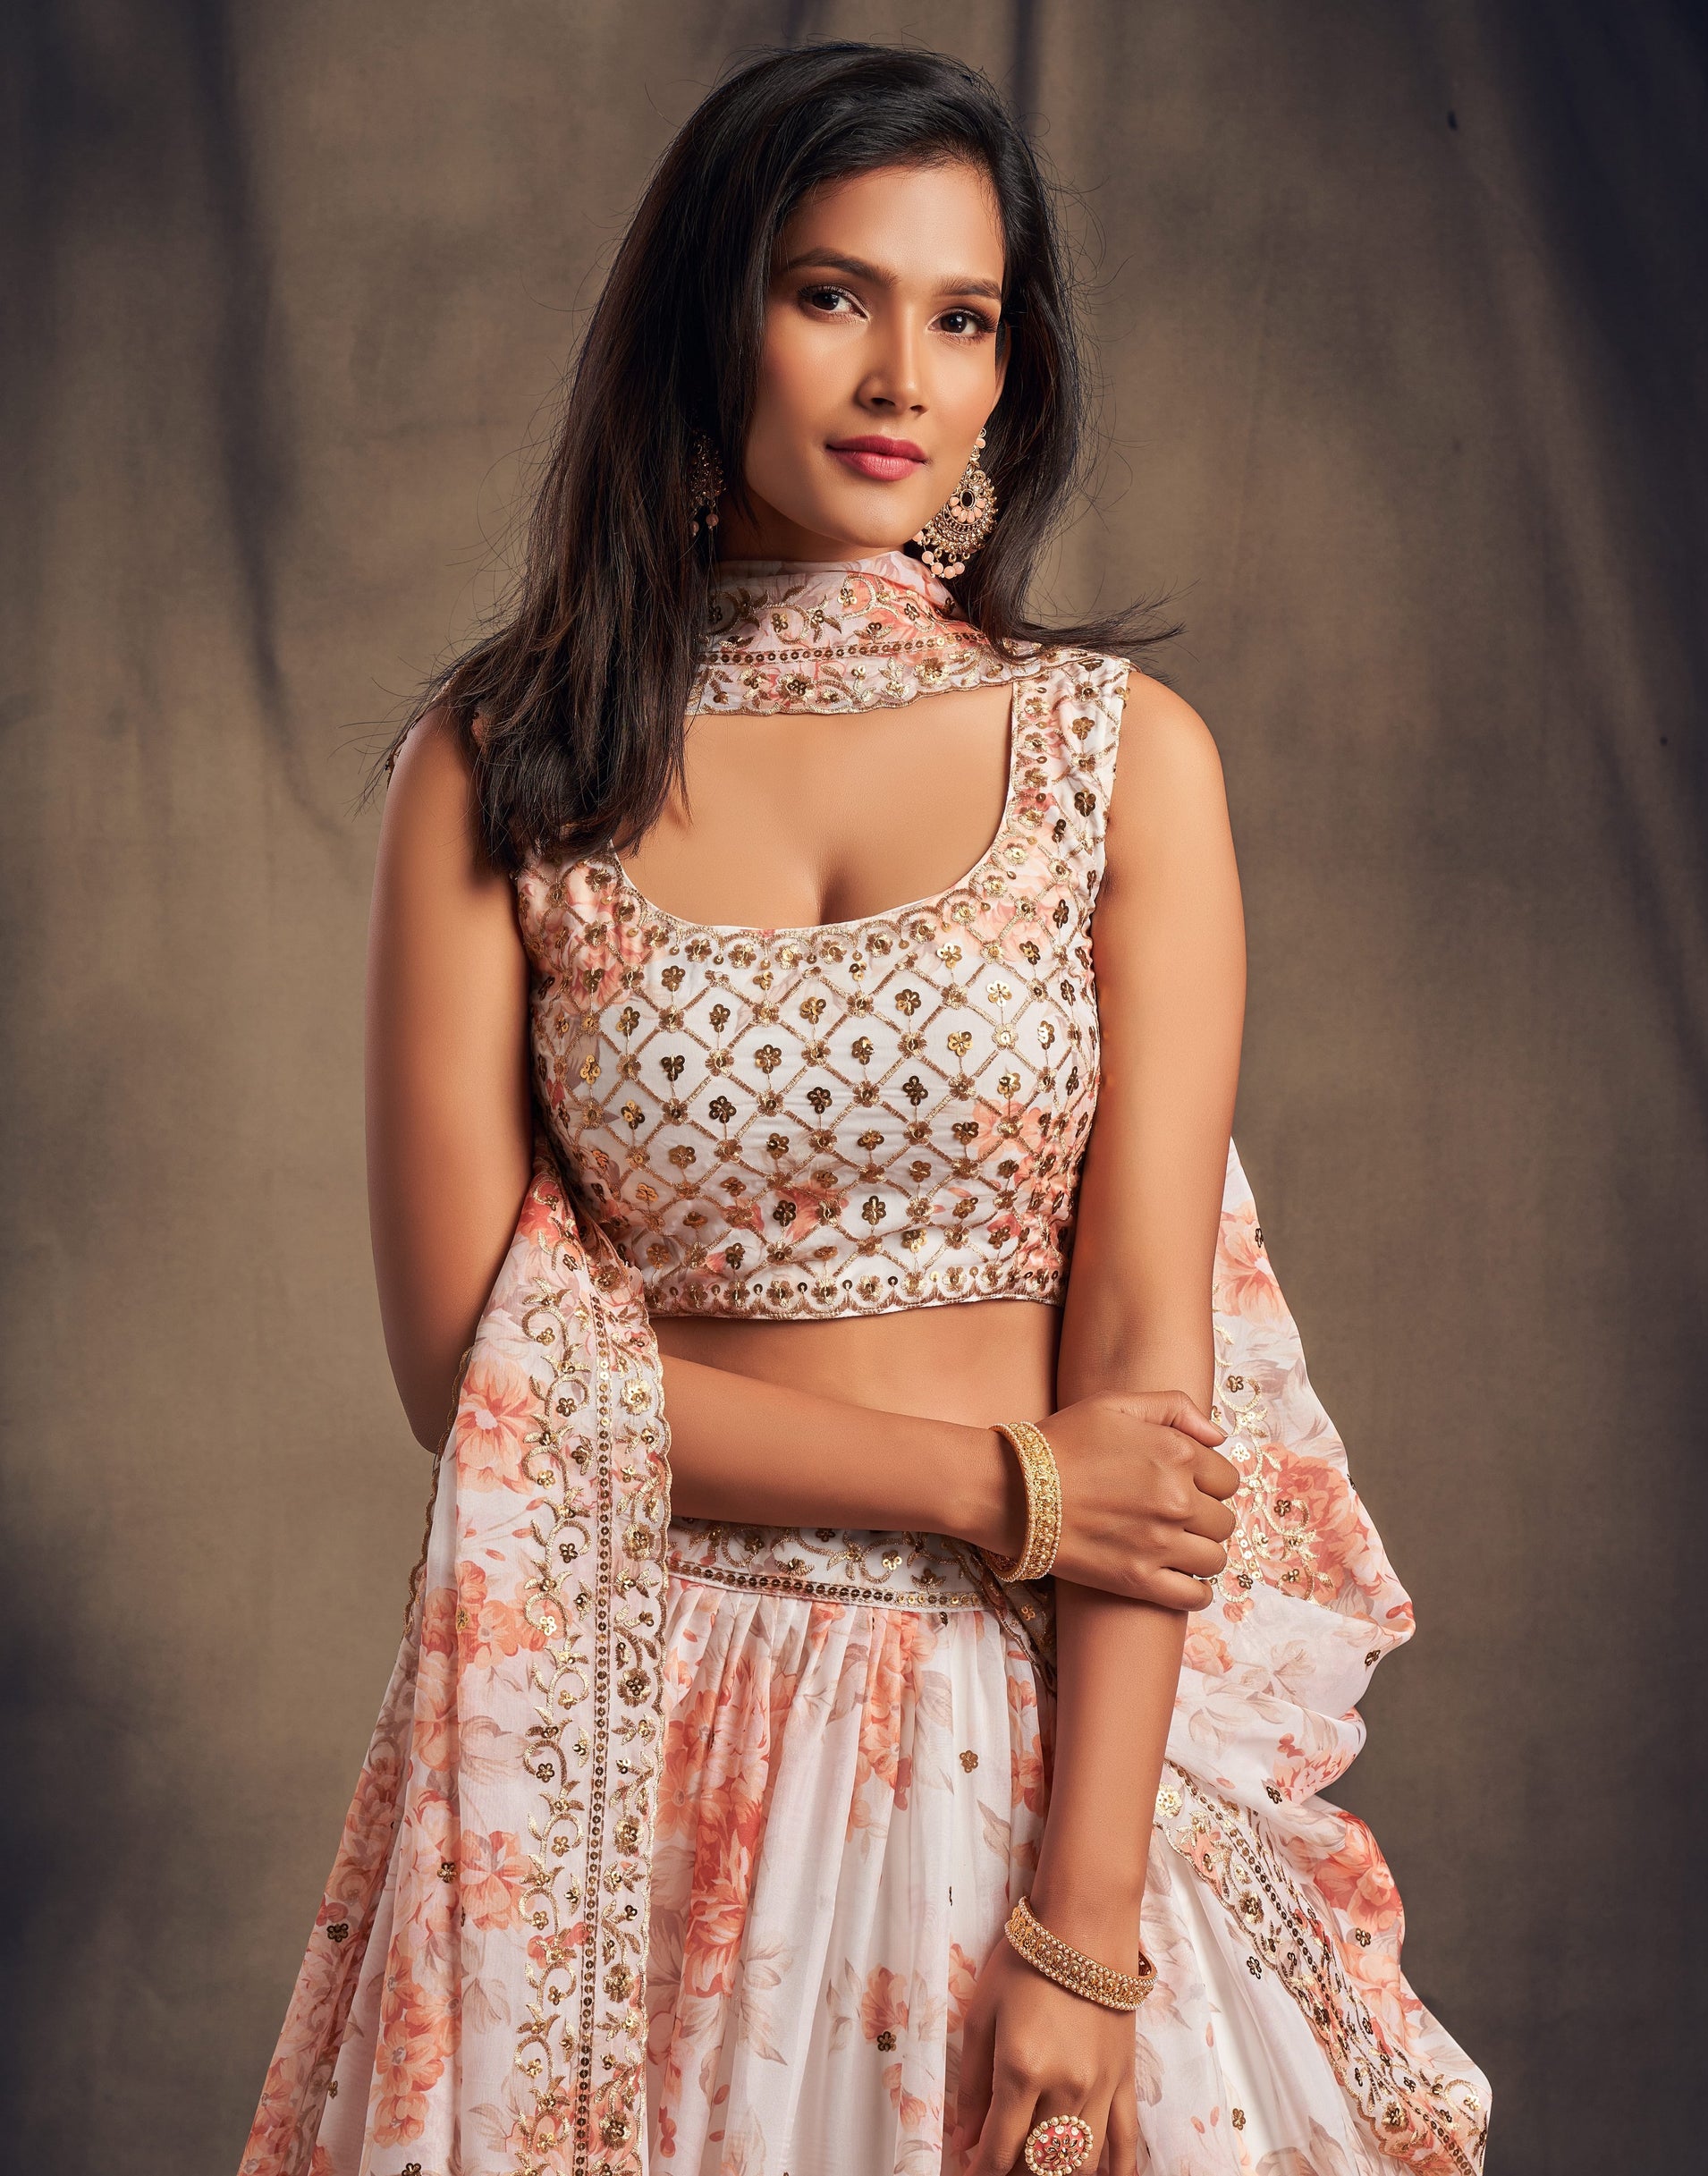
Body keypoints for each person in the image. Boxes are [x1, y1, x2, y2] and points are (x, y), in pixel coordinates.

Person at [241, 42, 1489, 2176]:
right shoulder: (505, 763)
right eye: (832, 293)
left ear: (1014, 368)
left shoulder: (1120, 761)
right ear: (707, 318)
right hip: (629, 1733)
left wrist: (1085, 1944)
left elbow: (1140, 1378)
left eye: (964, 313)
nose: (900, 368)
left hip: (1035, 1757)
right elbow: (474, 1364)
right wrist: (1002, 1478)